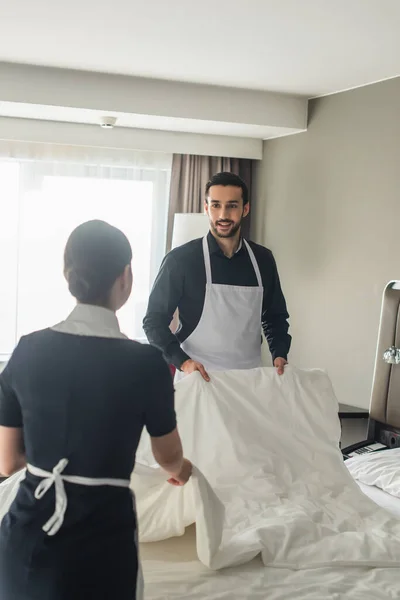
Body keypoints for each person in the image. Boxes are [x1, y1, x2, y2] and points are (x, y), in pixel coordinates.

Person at [0, 220, 192, 600]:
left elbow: (8, 462)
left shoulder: (26, 351)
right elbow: (167, 455)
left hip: (26, 542)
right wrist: (183, 472)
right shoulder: (146, 363)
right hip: (102, 544)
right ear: (126, 277)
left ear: (68, 275)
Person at [143, 172, 291, 381]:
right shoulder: (181, 260)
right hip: (197, 381)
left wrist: (279, 353)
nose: (223, 214)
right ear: (206, 208)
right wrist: (183, 362)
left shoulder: (263, 260)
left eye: (231, 206)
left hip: (249, 382)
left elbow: (275, 316)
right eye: (216, 205)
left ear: (245, 209)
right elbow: (154, 321)